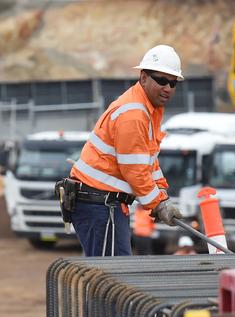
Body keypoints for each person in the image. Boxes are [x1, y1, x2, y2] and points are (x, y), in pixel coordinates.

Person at [68, 44, 184, 256]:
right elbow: (135, 171)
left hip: (102, 204)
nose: (168, 87)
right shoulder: (134, 114)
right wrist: (158, 204)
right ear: (143, 78)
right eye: (161, 80)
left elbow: (148, 161)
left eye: (173, 82)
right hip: (100, 204)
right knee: (112, 277)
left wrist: (162, 194)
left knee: (111, 276)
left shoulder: (147, 109)